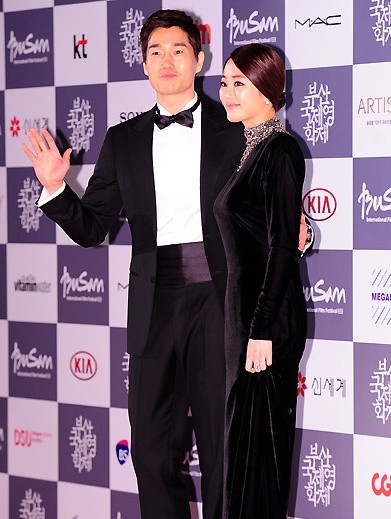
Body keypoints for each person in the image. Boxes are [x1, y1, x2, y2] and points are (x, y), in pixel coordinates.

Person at [22, 10, 310, 518]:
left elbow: (270, 206)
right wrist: (53, 187)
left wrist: (296, 233)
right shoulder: (124, 140)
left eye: (179, 50)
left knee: (225, 453)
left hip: (223, 305)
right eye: (155, 52)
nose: (167, 61)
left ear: (199, 59)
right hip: (155, 306)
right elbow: (93, 230)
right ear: (143, 64)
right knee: (152, 453)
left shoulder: (236, 122)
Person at [215, 43, 307, 519]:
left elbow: (281, 249)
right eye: (226, 82)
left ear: (269, 91)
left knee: (260, 460)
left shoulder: (281, 150)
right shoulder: (250, 149)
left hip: (264, 325)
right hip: (244, 319)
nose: (227, 92)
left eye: (239, 84)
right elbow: (270, 232)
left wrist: (262, 329)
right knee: (244, 455)